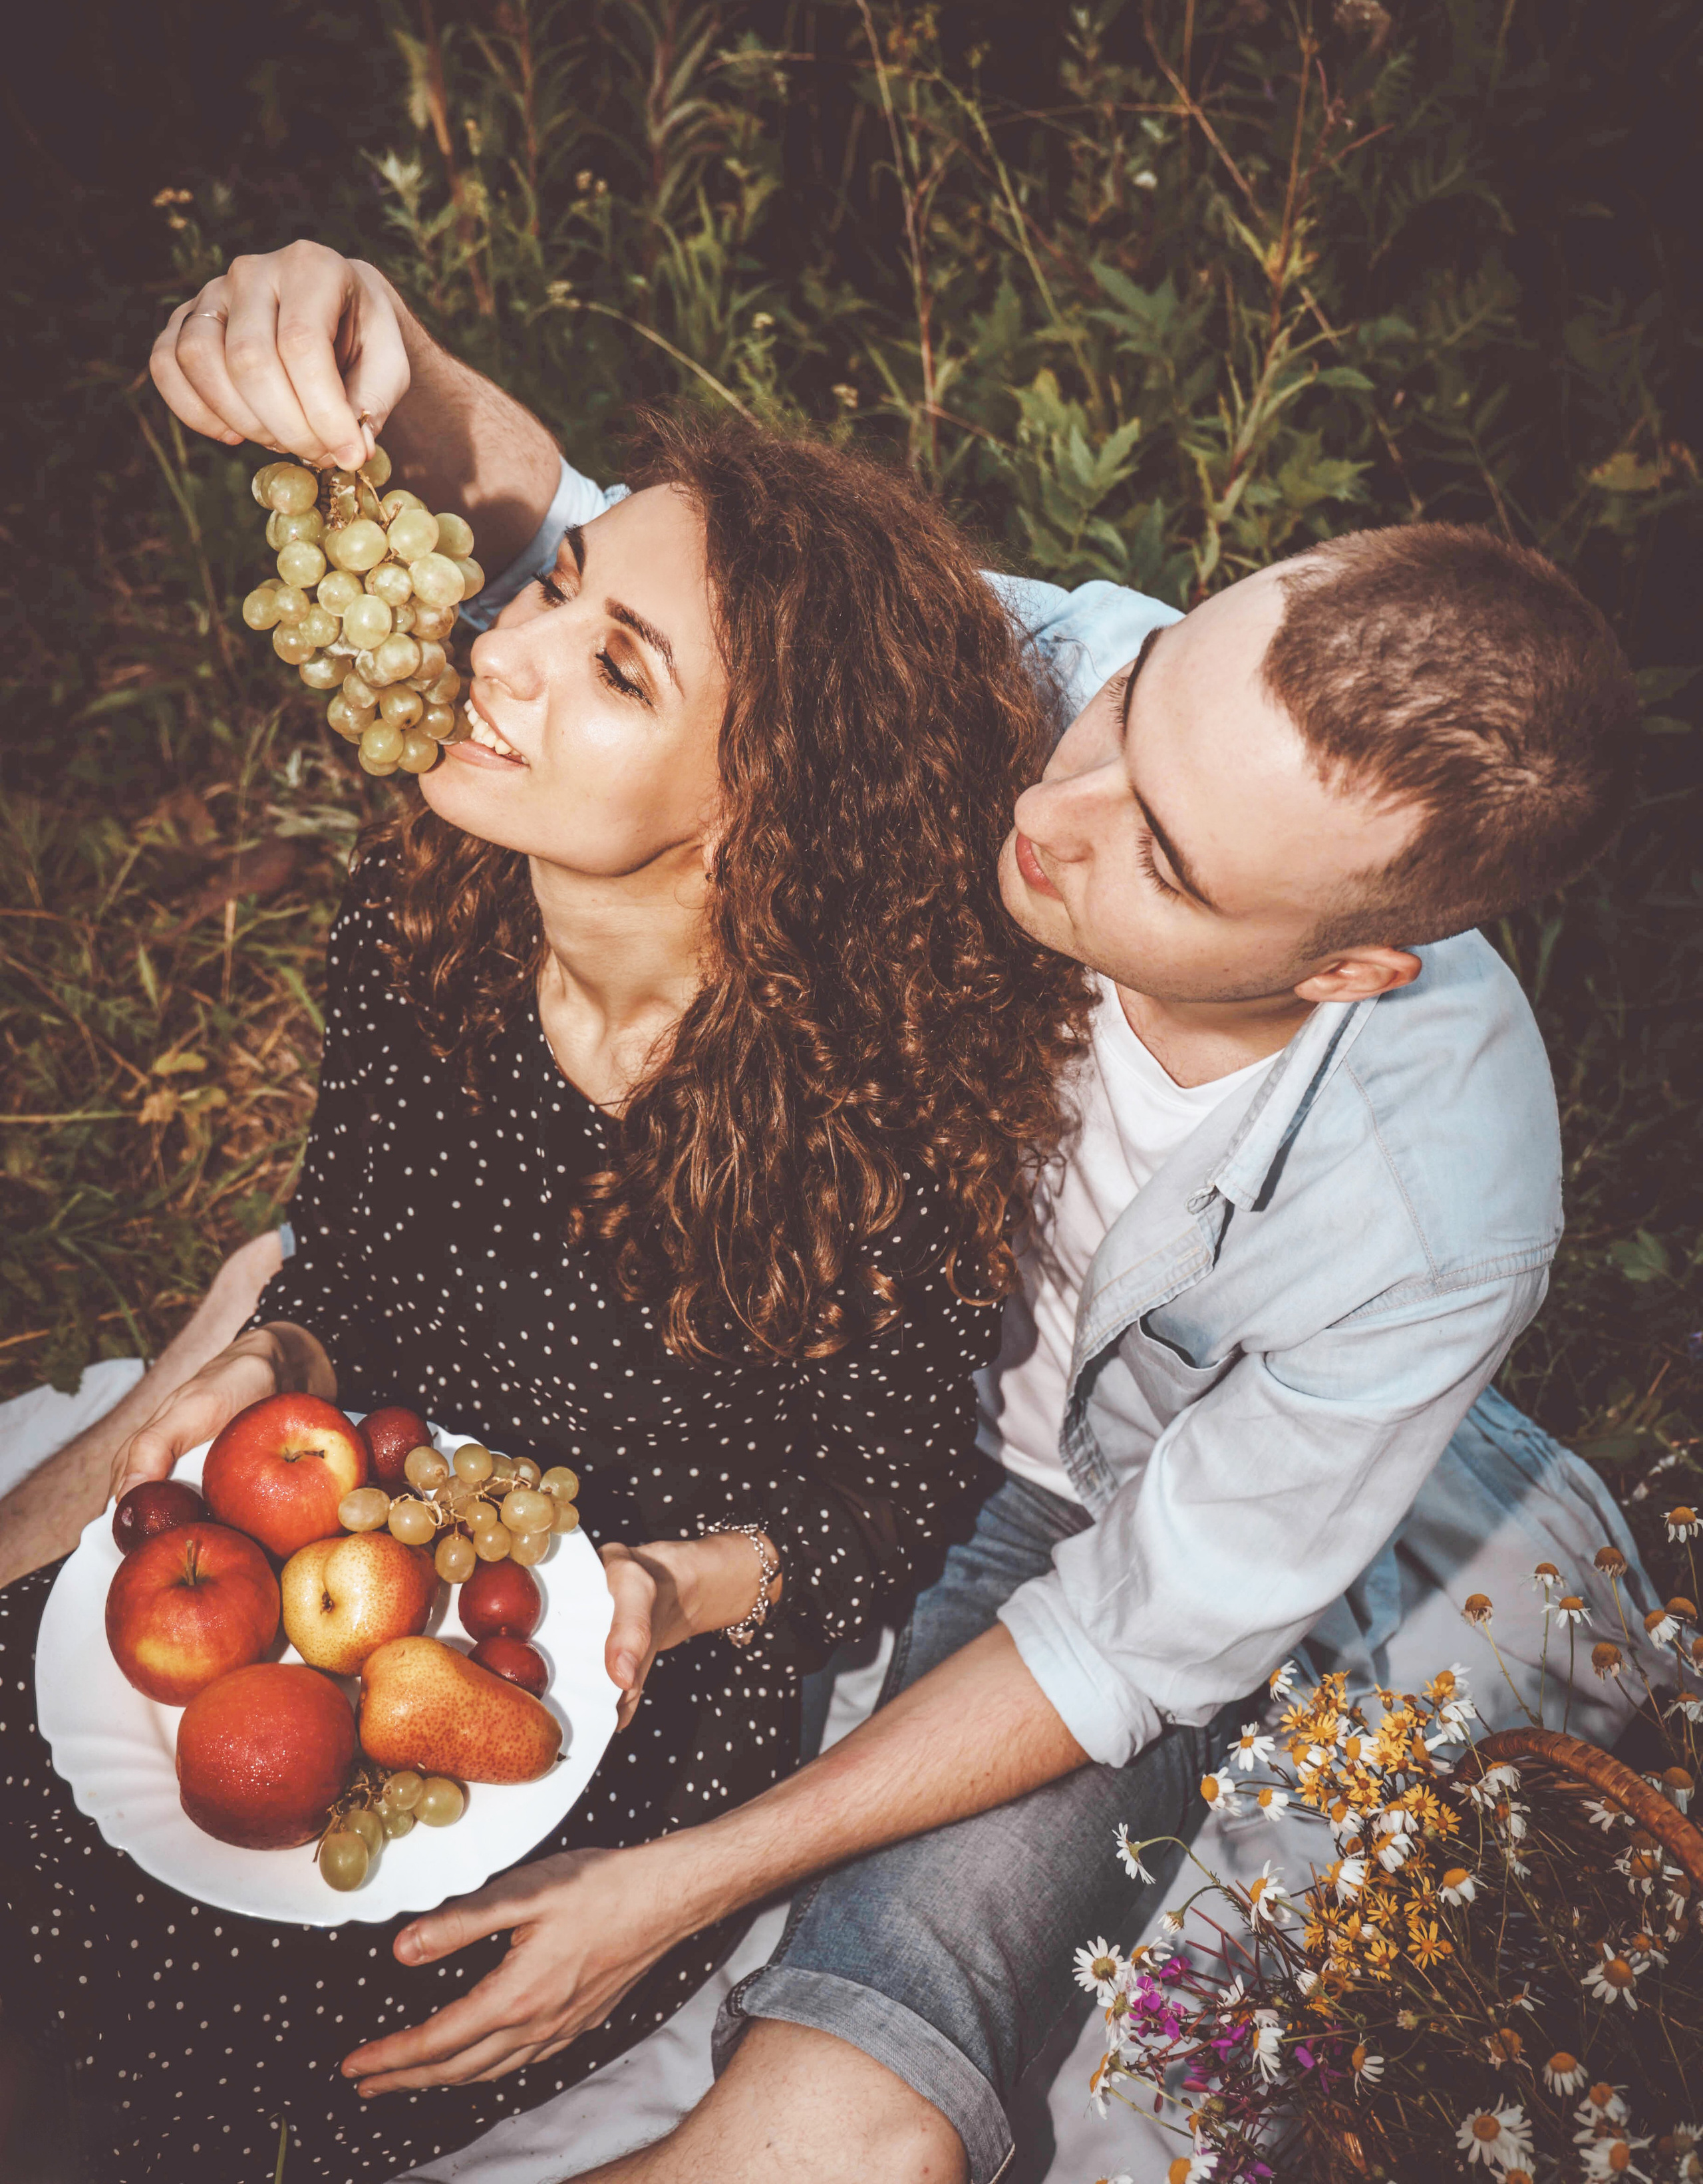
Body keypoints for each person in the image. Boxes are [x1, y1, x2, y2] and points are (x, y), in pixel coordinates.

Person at [91, 243, 1642, 2184]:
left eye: (1156, 854)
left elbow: (1127, 1640)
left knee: (852, 2105)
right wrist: (373, 354)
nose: (1053, 812)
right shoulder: (1062, 690)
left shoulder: (1432, 1220)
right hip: (775, 1372)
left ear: (1349, 974)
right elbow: (614, 560)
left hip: (1074, 1522)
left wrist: (680, 1881)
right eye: (1136, 701)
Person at [0, 400, 1093, 2183]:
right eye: (549, 591)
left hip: (600, 1683)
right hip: (343, 1525)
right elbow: (344, 1252)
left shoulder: (858, 1125)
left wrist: (667, 1583)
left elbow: (881, 1501)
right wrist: (268, 1352)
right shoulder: (421, 918)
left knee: (239, 2017)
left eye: (615, 669)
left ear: (764, 812)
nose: (497, 648)